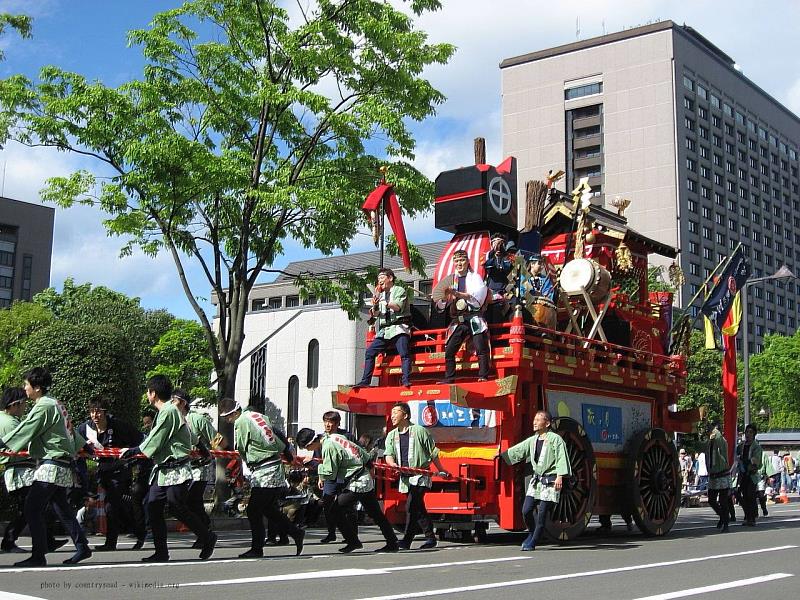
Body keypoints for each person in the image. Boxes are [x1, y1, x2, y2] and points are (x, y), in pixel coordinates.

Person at [0, 368, 92, 567]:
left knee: (32, 509)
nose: (25, 389)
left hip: (51, 464)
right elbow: (69, 429)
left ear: (37, 388)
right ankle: (82, 547)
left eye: (27, 385)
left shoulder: (43, 406)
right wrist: (83, 445)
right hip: (62, 464)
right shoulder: (56, 403)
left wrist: (3, 443)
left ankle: (38, 555)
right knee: (63, 509)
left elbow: (27, 428)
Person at [119, 374, 216, 562]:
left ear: (153, 393)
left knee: (176, 506)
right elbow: (185, 431)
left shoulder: (168, 411)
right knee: (153, 506)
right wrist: (202, 448)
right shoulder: (170, 411)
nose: (147, 394)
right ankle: (161, 551)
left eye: (148, 391)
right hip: (164, 470)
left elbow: (156, 439)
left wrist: (134, 451)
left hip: (176, 468)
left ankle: (207, 536)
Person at [218, 397, 304, 557]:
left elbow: (242, 447)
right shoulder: (259, 416)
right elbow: (276, 434)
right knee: (267, 508)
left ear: (235, 412)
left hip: (264, 469)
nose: (228, 421)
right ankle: (295, 532)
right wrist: (285, 450)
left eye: (228, 417)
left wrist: (242, 457)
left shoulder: (241, 421)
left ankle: (257, 548)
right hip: (274, 466)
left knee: (253, 510)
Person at [295, 427, 399, 553]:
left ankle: (353, 541)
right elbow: (362, 452)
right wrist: (369, 466)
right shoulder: (336, 437)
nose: (308, 450)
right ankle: (392, 542)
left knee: (335, 510)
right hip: (363, 477)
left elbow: (330, 472)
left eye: (307, 448)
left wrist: (312, 464)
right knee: (376, 514)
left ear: (311, 443)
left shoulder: (328, 446)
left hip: (357, 482)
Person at [77, 397, 144, 551]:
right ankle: (138, 531)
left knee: (110, 506)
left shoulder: (119, 426)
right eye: (92, 411)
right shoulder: (86, 428)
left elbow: (139, 439)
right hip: (103, 471)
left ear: (106, 412)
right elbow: (74, 439)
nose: (95, 415)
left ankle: (111, 542)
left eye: (99, 411)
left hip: (120, 470)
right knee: (119, 507)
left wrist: (131, 454)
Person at [499, 410, 571, 551]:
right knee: (526, 510)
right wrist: (501, 455)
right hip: (536, 481)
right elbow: (518, 450)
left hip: (550, 481)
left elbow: (562, 457)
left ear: (548, 423)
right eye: (535, 419)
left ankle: (534, 541)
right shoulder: (533, 440)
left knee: (542, 513)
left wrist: (560, 476)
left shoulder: (555, 439)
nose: (535, 422)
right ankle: (532, 533)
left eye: (539, 419)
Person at [383, 402, 450, 550]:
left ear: (405, 415)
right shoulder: (392, 435)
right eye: (392, 412)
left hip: (420, 475)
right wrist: (392, 464)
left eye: (396, 412)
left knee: (411, 506)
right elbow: (388, 454)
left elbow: (433, 452)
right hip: (405, 477)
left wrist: (441, 470)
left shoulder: (420, 430)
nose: (392, 415)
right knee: (418, 508)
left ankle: (406, 540)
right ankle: (430, 538)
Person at [435, 249, 490, 383]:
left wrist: (458, 294)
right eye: (457, 261)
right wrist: (444, 298)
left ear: (467, 261)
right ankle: (450, 378)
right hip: (458, 321)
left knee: (480, 347)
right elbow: (441, 305)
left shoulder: (474, 277)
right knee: (449, 351)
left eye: (462, 260)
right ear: (453, 262)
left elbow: (478, 297)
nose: (459, 263)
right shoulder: (450, 280)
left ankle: (483, 375)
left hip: (473, 317)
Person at [172, 389, 216, 549]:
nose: (171, 404)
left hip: (200, 467)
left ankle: (205, 531)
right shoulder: (172, 420)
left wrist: (215, 452)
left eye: (174, 400)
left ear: (183, 403)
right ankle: (204, 531)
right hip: (182, 468)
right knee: (187, 502)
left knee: (192, 500)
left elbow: (216, 438)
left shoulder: (196, 419)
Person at [355, 268, 412, 388]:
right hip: (385, 331)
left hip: (399, 328)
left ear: (390, 278)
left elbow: (397, 307)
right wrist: (375, 304)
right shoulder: (380, 295)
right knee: (370, 352)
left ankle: (406, 379)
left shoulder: (399, 290)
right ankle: (365, 381)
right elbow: (375, 315)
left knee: (404, 353)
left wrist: (383, 301)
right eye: (378, 278)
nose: (379, 281)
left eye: (382, 277)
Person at [311, 411, 356, 545]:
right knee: (327, 503)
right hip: (329, 475)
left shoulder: (347, 436)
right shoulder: (322, 438)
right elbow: (319, 459)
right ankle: (331, 533)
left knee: (347, 505)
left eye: (331, 422)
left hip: (345, 474)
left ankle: (352, 533)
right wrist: (321, 477)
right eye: (325, 421)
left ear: (337, 423)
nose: (327, 424)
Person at [705, 421, 731, 533]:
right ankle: (723, 516)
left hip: (722, 474)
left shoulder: (722, 441)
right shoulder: (709, 442)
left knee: (723, 501)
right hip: (713, 475)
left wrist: (715, 431)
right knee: (711, 500)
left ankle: (726, 523)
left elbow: (719, 439)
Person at [735, 423, 762, 527]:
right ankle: (748, 515)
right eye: (747, 432)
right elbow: (735, 453)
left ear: (754, 434)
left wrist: (749, 462)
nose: (748, 434)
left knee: (750, 495)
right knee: (741, 495)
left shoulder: (756, 447)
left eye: (750, 432)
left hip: (751, 474)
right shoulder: (741, 446)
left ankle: (751, 517)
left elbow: (756, 461)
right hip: (742, 474)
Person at [483, 233, 512, 323]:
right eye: (495, 243)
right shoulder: (487, 256)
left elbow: (507, 268)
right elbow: (487, 265)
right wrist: (493, 251)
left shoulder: (508, 257)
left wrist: (504, 253)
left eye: (501, 243)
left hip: (505, 292)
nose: (499, 246)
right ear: (491, 244)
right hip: (491, 292)